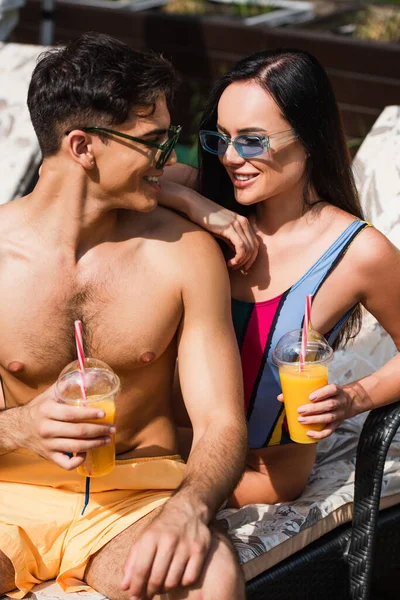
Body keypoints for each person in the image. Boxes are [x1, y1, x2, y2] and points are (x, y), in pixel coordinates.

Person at [0, 32, 248, 600]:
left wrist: (190, 509)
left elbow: (220, 424)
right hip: (8, 493)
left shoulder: (183, 253)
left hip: (136, 497)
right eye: (154, 141)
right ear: (83, 147)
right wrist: (18, 426)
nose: (172, 158)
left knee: (210, 580)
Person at [159, 48, 400, 508]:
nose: (230, 158)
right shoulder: (204, 197)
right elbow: (99, 182)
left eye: (252, 140)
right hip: (154, 449)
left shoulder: (358, 252)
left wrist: (352, 398)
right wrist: (199, 206)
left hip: (255, 472)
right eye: (222, 138)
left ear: (309, 137)